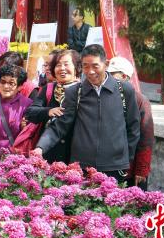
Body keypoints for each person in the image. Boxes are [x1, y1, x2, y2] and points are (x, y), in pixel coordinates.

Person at [34, 45, 141, 183]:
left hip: (115, 167)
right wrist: (40, 147)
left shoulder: (124, 90)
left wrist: (126, 157)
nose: (90, 72)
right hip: (82, 167)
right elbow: (60, 126)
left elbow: (133, 127)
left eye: (95, 66)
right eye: (85, 66)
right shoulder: (75, 92)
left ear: (106, 64)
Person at [24, 49, 81, 164]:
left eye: (66, 64)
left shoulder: (83, 90)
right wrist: (48, 111)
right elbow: (30, 112)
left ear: (76, 67)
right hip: (47, 149)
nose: (62, 68)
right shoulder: (49, 88)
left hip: (74, 152)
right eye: (58, 65)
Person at [107, 56, 153, 190]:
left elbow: (146, 137)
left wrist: (141, 169)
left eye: (112, 75)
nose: (108, 78)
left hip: (129, 168)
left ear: (124, 76)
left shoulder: (140, 100)